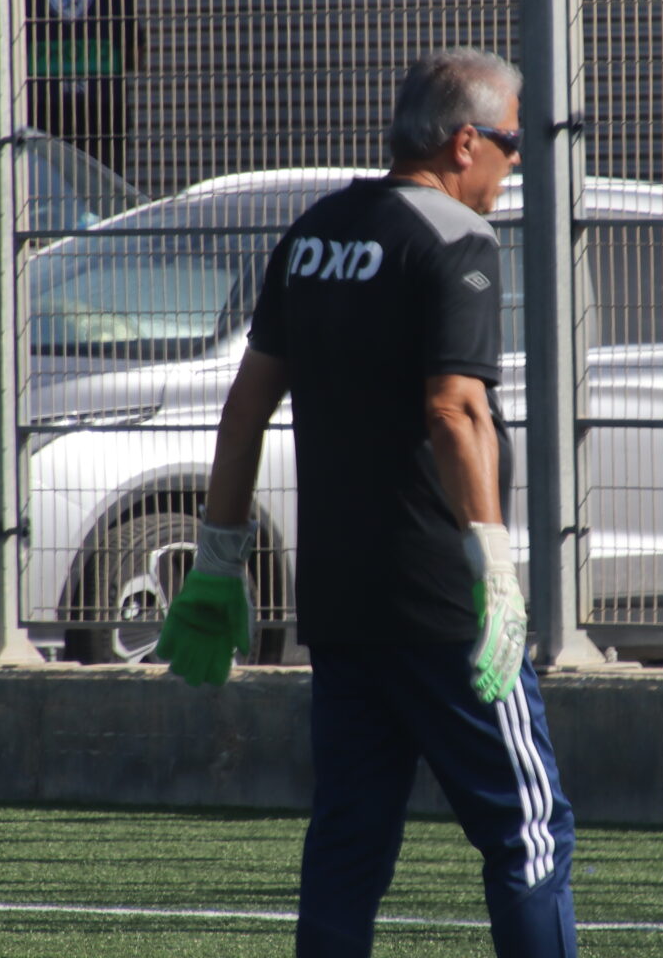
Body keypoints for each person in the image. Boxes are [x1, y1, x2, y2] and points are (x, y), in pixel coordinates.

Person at [158, 48, 578, 958]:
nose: (513, 168)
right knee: (528, 830)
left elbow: (245, 409)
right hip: (445, 604)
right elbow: (455, 411)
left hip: (344, 604)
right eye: (511, 146)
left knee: (349, 843)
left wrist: (218, 563)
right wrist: (497, 576)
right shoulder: (458, 239)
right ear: (464, 142)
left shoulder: (314, 232)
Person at [24, 0, 144, 174]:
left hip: (45, 110)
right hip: (102, 112)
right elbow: (135, 56)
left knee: (46, 181)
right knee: (102, 183)